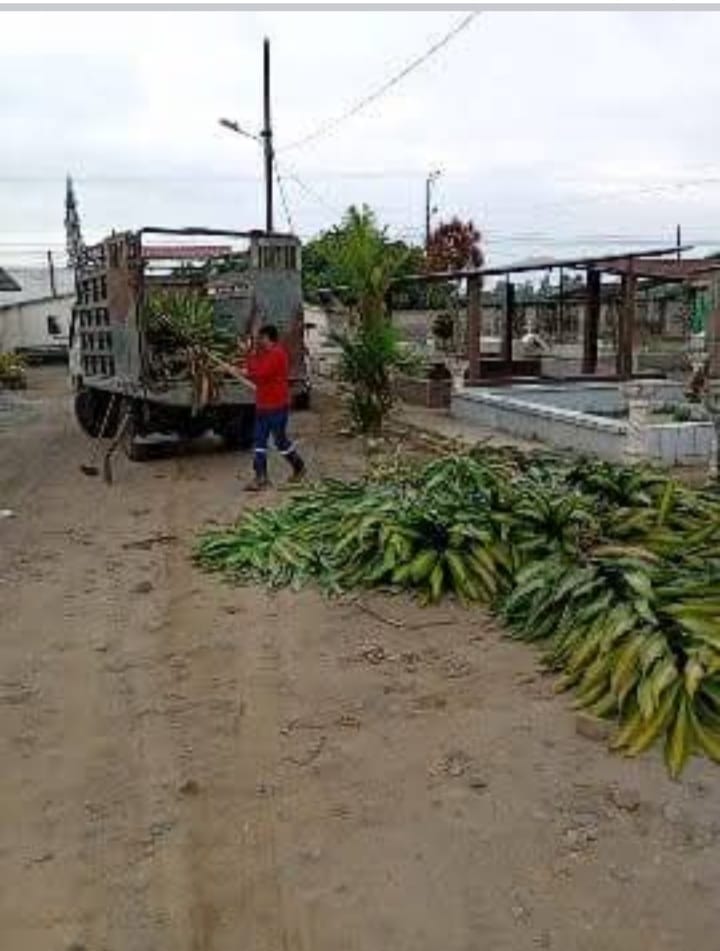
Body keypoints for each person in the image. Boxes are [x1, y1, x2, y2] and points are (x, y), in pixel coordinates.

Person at [241, 323, 306, 491]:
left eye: (261, 338)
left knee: (280, 441)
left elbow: (260, 374)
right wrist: (249, 359)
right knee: (259, 441)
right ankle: (260, 477)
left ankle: (298, 466)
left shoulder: (277, 354)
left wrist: (248, 363)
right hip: (263, 406)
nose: (259, 341)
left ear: (269, 338)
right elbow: (255, 369)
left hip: (277, 406)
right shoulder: (264, 354)